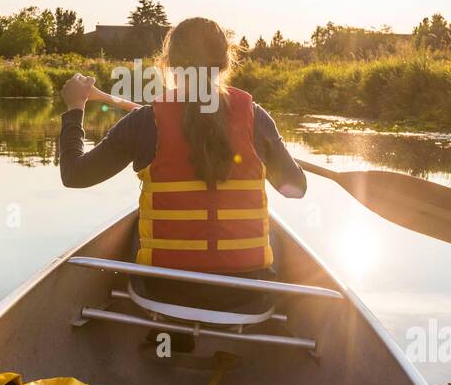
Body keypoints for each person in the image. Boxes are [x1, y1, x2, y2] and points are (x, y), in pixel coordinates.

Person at [59, 17, 305, 277]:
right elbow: (296, 189)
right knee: (272, 229)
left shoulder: (144, 122)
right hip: (249, 294)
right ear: (225, 63)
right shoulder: (256, 118)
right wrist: (273, 151)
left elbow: (75, 175)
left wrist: (75, 108)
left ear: (169, 64)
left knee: (136, 225)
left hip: (162, 286)